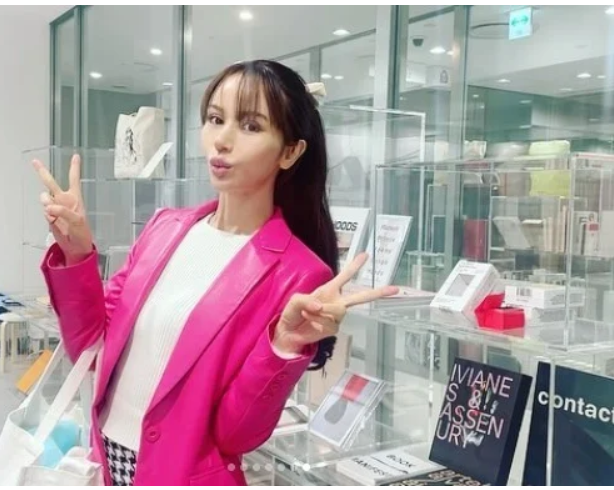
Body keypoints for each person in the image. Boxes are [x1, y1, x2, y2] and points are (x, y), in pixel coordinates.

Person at [33, 59, 397, 486]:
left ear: (290, 152)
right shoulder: (164, 228)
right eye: (215, 119)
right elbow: (91, 349)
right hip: (105, 462)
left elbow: (235, 434)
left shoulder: (298, 273)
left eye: (251, 125)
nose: (222, 140)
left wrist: (284, 343)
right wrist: (77, 254)